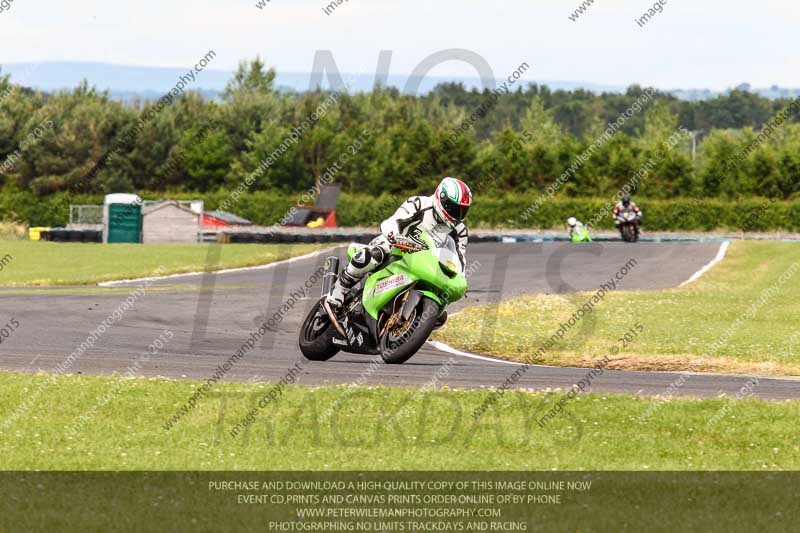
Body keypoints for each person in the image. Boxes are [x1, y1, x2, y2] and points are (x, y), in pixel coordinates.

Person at [325, 177, 472, 312]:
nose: (457, 214)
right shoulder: (419, 203)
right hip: (397, 247)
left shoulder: (460, 231)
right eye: (454, 208)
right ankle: (340, 287)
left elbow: (459, 259)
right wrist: (393, 235)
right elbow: (393, 221)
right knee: (374, 254)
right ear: (442, 198)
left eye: (462, 211)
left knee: (442, 309)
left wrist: (461, 279)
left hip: (427, 263)